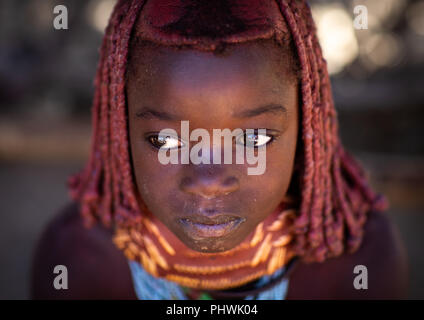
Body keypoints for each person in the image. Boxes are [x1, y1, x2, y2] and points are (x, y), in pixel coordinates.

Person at [31, 0, 408, 299]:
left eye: (253, 140)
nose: (209, 179)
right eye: (166, 141)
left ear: (307, 127)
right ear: (120, 129)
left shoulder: (356, 260)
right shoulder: (79, 261)